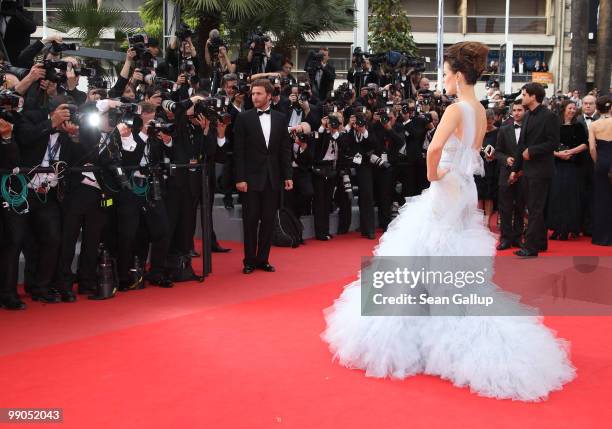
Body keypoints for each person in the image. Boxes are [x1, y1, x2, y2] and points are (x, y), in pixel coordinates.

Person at [322, 41, 575, 402]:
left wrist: (433, 175)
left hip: (448, 187)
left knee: (416, 262)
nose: (444, 80)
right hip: (466, 189)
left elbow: (434, 149)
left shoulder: (457, 108)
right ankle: (438, 333)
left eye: (444, 74)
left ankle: (425, 339)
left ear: (457, 74)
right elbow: (471, 154)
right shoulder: (481, 111)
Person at [233, 79, 292, 274]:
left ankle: (263, 259)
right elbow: (238, 152)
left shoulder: (280, 118)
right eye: (253, 94)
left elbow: (285, 150)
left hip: (272, 178)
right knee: (250, 220)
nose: (254, 97)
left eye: (258, 94)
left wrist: (287, 175)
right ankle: (249, 260)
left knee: (268, 220)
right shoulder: (243, 118)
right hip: (250, 179)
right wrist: (240, 178)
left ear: (268, 95)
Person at [510, 82, 560, 257]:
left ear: (533, 96)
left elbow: (553, 142)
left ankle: (531, 247)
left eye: (524, 95)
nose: (522, 97)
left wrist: (532, 151)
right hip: (528, 170)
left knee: (535, 208)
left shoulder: (549, 116)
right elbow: (521, 145)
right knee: (533, 207)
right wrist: (515, 170)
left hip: (541, 169)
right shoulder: (528, 115)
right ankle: (540, 242)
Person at [546, 100, 588, 240]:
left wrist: (570, 152)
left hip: (573, 165)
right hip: (557, 164)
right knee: (556, 196)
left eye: (574, 108)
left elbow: (585, 144)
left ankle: (567, 228)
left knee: (570, 197)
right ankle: (556, 227)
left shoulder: (579, 126)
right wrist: (558, 154)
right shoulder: (554, 125)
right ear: (564, 109)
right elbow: (547, 144)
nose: (572, 110)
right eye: (570, 108)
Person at [495, 101, 526, 250]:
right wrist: (506, 159)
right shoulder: (504, 129)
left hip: (524, 173)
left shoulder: (529, 129)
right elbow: (498, 151)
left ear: (525, 111)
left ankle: (518, 237)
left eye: (520, 110)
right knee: (505, 208)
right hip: (506, 173)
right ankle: (505, 238)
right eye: (514, 110)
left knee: (520, 206)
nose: (517, 112)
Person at [588, 96, 612, 246]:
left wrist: (598, 162)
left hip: (601, 162)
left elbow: (591, 148)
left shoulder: (594, 124)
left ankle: (601, 237)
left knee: (601, 199)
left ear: (598, 108)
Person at [474, 109, 498, 227]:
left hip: (491, 167)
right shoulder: (478, 132)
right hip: (478, 166)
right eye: (485, 122)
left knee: (489, 195)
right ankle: (479, 223)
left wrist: (494, 156)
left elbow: (501, 149)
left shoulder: (499, 132)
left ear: (494, 120)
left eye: (489, 122)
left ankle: (487, 222)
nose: (487, 125)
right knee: (479, 194)